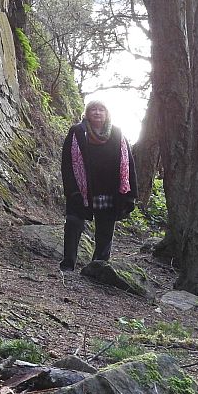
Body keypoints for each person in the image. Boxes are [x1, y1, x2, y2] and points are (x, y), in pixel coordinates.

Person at [59, 100, 137, 271]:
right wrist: (71, 190)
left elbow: (127, 163)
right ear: (86, 113)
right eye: (93, 109)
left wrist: (130, 194)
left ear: (107, 113)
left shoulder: (117, 133)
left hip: (109, 189)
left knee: (105, 228)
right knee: (73, 223)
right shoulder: (77, 132)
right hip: (82, 189)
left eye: (101, 109)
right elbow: (67, 163)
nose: (97, 112)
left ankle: (98, 265)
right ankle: (68, 262)